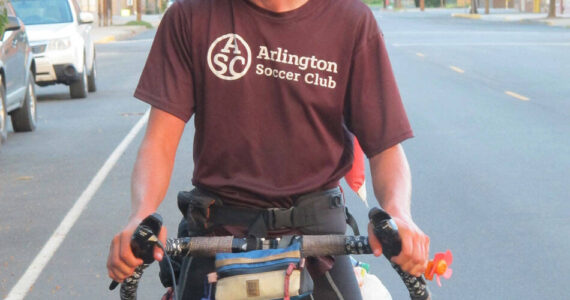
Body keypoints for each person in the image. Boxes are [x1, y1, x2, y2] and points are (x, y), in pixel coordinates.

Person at [107, 0, 430, 299]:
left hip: (319, 238)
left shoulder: (351, 20)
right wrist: (140, 214)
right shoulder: (190, 15)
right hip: (216, 231)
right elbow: (159, 141)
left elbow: (385, 147)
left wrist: (399, 214)